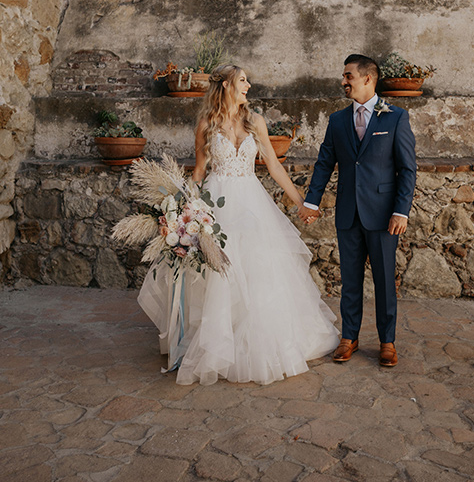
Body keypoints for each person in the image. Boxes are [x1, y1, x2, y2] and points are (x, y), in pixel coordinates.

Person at [138, 64, 339, 385]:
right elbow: (200, 172)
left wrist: (300, 201)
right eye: (243, 80)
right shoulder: (206, 123)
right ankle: (219, 340)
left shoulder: (255, 121)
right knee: (219, 272)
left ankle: (260, 337)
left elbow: (273, 165)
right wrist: (182, 211)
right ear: (227, 85)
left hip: (251, 202)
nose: (248, 84)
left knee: (259, 267)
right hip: (216, 203)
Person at [298, 54, 417, 368]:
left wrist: (401, 211)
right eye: (344, 76)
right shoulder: (338, 121)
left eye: (348, 76)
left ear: (368, 79)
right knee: (350, 280)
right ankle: (349, 337)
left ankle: (387, 342)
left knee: (383, 281)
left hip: (383, 215)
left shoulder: (395, 117)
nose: (343, 81)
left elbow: (407, 169)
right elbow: (325, 163)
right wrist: (312, 201)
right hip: (348, 212)